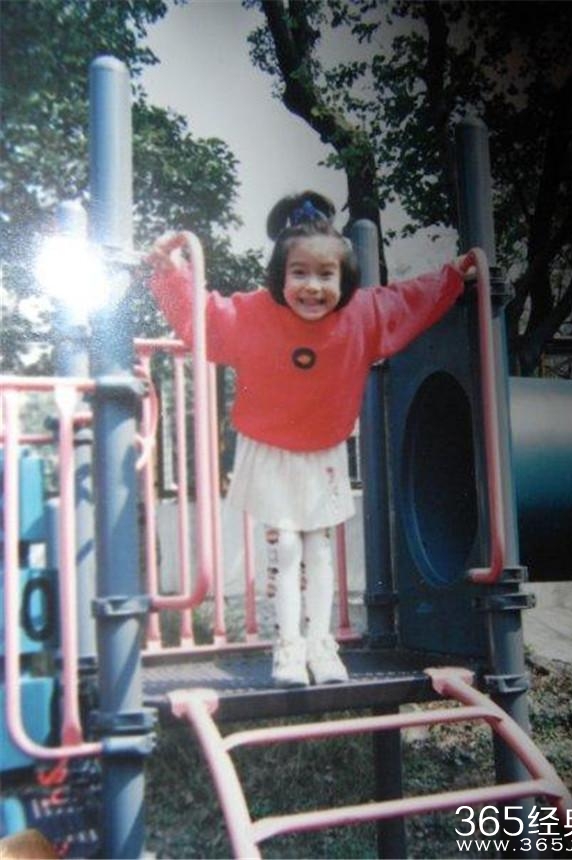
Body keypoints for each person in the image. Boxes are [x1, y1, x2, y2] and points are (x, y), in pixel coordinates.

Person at [147, 191, 470, 688]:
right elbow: (203, 317)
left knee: (318, 550)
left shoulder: (364, 314)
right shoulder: (254, 314)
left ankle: (321, 644)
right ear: (281, 276)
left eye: (325, 274)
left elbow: (410, 299)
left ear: (345, 279)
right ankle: (288, 648)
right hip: (270, 447)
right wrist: (171, 272)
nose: (312, 287)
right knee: (286, 550)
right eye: (299, 273)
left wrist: (454, 277)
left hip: (322, 450)